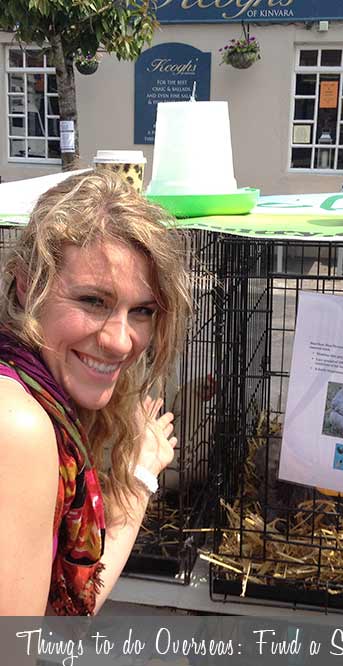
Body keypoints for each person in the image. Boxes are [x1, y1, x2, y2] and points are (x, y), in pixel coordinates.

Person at [0, 170, 191, 615]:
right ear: (29, 287)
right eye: (93, 301)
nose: (121, 341)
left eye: (141, 311)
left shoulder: (29, 389)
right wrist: (141, 479)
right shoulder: (17, 426)